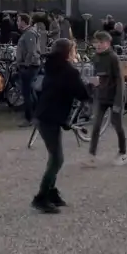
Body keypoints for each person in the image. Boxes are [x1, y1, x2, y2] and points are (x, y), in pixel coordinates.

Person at [32, 38, 91, 213]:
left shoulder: (50, 66)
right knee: (57, 158)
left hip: (44, 114)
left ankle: (51, 193)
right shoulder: (69, 71)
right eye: (73, 51)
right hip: (50, 117)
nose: (75, 54)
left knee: (55, 156)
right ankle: (41, 197)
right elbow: (82, 93)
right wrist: (91, 88)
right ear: (68, 53)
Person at [84, 31, 127, 167]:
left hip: (114, 96)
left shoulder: (113, 58)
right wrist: (91, 85)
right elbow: (93, 76)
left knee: (117, 125)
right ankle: (91, 156)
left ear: (108, 44)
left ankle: (123, 153)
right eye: (96, 42)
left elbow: (120, 81)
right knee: (96, 126)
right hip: (101, 97)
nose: (97, 45)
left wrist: (118, 102)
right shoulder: (95, 57)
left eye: (101, 42)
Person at [15, 13, 43, 127]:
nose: (17, 23)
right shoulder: (29, 33)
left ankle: (29, 118)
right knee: (30, 92)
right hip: (30, 65)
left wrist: (25, 64)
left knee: (27, 93)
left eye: (18, 20)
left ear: (23, 22)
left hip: (30, 66)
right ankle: (36, 116)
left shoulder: (29, 34)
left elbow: (31, 51)